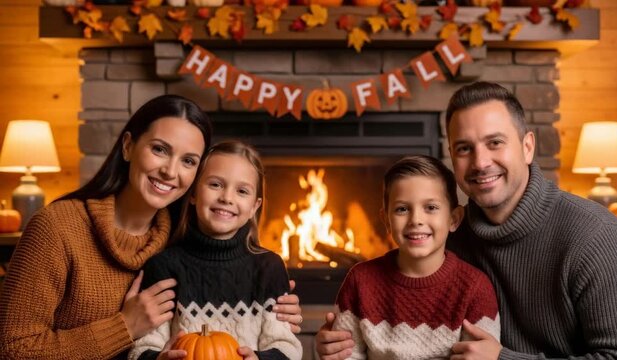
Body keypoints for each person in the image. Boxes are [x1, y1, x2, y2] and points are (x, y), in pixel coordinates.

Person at [315, 81, 617, 359]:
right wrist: (336, 346)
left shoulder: (595, 237)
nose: (481, 162)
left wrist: (503, 359)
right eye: (464, 148)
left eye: (495, 143)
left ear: (527, 147)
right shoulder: (446, 235)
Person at [0, 95, 302, 360]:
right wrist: (125, 327)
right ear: (129, 146)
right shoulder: (57, 228)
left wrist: (276, 304)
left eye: (188, 161)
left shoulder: (178, 238)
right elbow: (12, 348)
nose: (170, 171)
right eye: (159, 149)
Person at [128, 140, 302, 360]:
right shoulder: (164, 266)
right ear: (193, 194)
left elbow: (287, 346)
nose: (226, 198)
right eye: (215, 185)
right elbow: (141, 348)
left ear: (254, 207)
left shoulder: (269, 267)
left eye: (241, 191)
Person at [332, 155, 499, 359]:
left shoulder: (474, 288)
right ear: (386, 221)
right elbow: (345, 355)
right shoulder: (360, 280)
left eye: (431, 208)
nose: (416, 220)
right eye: (402, 209)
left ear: (454, 219)